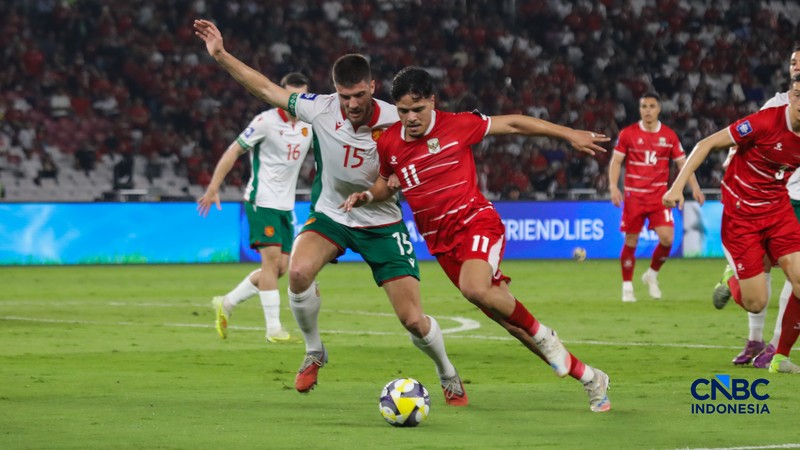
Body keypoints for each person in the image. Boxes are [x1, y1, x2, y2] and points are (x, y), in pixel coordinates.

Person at [193, 19, 469, 405]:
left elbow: (428, 153)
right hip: (332, 214)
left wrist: (399, 179)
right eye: (344, 96)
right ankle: (314, 350)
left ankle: (447, 372)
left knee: (412, 320)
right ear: (335, 91)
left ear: (372, 87)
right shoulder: (319, 108)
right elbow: (267, 88)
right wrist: (221, 55)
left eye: (359, 95)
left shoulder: (397, 119)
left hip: (382, 222)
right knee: (298, 273)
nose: (352, 104)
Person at [342, 67, 612, 412]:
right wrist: (367, 196)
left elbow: (513, 123)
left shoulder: (458, 124)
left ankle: (547, 337)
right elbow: (385, 183)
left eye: (418, 109)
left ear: (432, 101)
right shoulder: (390, 142)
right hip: (442, 244)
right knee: (509, 321)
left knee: (475, 288)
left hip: (476, 222)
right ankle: (591, 377)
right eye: (404, 111)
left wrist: (567, 133)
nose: (411, 118)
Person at [663, 73, 800, 374]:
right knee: (756, 302)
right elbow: (706, 143)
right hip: (742, 215)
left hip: (778, 210)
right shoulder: (765, 121)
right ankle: (731, 280)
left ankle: (779, 356)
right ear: (790, 96)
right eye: (798, 95)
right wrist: (677, 186)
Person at [197, 72, 313, 343]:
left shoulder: (310, 123)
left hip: (286, 205)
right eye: (290, 95)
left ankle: (226, 302)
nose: (294, 101)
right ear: (279, 93)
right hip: (262, 200)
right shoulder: (265, 122)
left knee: (281, 268)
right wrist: (213, 187)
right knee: (271, 263)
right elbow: (233, 151)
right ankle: (273, 329)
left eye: (300, 96)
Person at [711, 45, 800, 368]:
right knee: (762, 270)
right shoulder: (777, 105)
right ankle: (756, 341)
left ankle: (777, 350)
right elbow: (740, 139)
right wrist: (730, 159)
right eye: (793, 62)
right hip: (780, 197)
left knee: (796, 278)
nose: (796, 66)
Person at [608, 93, 704, 302]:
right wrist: (613, 186)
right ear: (640, 109)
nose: (647, 110)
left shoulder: (669, 136)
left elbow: (683, 164)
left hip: (660, 197)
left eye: (652, 106)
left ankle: (651, 275)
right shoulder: (628, 134)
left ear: (659, 109)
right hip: (634, 196)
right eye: (644, 106)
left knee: (667, 238)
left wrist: (695, 188)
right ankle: (627, 287)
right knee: (631, 240)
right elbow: (616, 161)